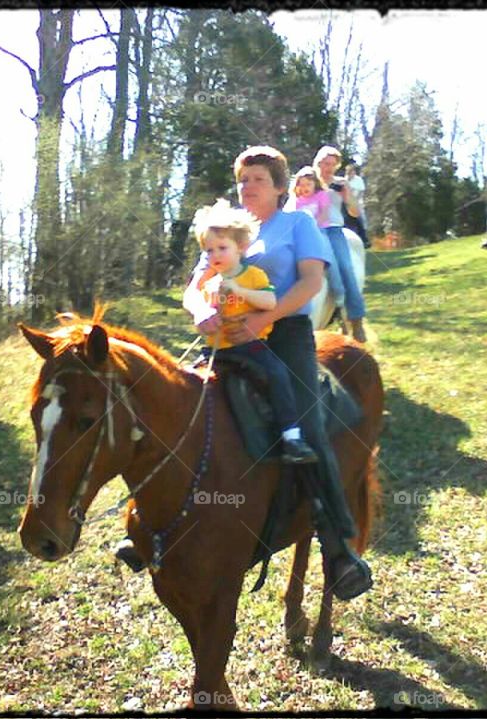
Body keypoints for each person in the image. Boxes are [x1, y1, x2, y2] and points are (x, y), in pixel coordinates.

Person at [183, 145, 373, 601]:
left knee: (308, 426)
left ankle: (339, 551)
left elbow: (311, 281)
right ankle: (156, 523)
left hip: (285, 335)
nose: (248, 187)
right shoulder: (224, 228)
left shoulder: (298, 224)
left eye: (258, 180)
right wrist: (198, 313)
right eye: (243, 179)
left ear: (281, 186)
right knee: (180, 406)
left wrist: (265, 319)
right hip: (226, 338)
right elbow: (194, 285)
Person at [192, 198, 318, 465]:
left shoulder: (254, 275)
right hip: (219, 350)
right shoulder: (210, 284)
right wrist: (206, 314)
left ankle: (291, 435)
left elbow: (269, 302)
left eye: (222, 248)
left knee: (277, 374)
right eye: (209, 250)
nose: (215, 255)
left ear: (241, 247)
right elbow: (202, 312)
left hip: (252, 347)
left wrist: (239, 291)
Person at [314, 146, 367, 342]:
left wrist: (347, 195)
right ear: (318, 162)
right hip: (309, 228)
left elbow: (354, 212)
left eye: (332, 165)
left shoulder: (340, 184)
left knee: (345, 267)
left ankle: (355, 319)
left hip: (333, 229)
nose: (328, 168)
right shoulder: (308, 180)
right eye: (325, 163)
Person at [292, 166, 346, 310]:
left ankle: (339, 292)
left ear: (315, 184)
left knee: (330, 259)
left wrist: (312, 227)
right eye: (301, 185)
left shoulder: (321, 195)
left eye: (308, 184)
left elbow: (324, 214)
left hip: (320, 231)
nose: (305, 188)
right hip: (302, 234)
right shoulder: (298, 201)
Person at [343, 163, 371, 249]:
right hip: (346, 203)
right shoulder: (344, 180)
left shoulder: (358, 180)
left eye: (351, 172)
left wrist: (355, 201)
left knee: (360, 219)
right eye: (348, 172)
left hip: (357, 203)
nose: (350, 174)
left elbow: (361, 192)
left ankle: (364, 239)